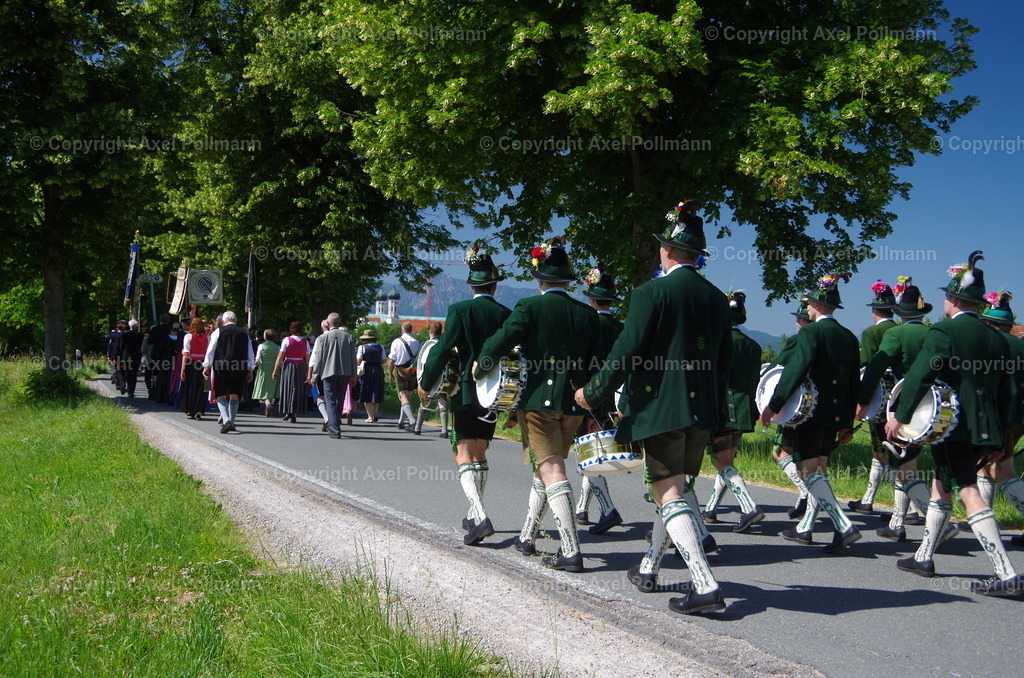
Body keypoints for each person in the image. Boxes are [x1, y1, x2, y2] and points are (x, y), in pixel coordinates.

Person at [576, 200, 731, 614]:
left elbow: (627, 350)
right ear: (697, 255)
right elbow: (723, 362)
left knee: (667, 488)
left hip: (661, 407)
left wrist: (593, 391)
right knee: (674, 488)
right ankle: (649, 566)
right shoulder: (717, 299)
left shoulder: (651, 292)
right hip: (702, 411)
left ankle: (704, 584)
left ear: (668, 250)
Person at [886, 251, 1022, 596]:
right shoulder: (998, 338)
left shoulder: (944, 331)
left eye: (947, 296)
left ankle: (1005, 571)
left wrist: (900, 417)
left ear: (953, 299)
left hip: (953, 428)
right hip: (985, 428)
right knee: (941, 485)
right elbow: (1005, 391)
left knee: (968, 491)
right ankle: (924, 556)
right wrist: (999, 440)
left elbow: (920, 376)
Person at [477, 236, 602, 572]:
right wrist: (596, 410)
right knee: (543, 467)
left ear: (539, 278)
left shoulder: (529, 307)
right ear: (567, 278)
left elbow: (499, 343)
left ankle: (571, 550)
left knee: (552, 469)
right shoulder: (587, 314)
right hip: (574, 405)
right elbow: (596, 365)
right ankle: (527, 536)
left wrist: (480, 368)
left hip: (539, 403)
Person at [759, 271, 862, 555]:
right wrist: (847, 423)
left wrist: (774, 405)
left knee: (806, 469)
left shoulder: (810, 332)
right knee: (819, 470)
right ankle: (807, 527)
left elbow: (795, 370)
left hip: (811, 413)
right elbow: (853, 382)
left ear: (815, 305)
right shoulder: (848, 337)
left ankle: (843, 525)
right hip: (836, 415)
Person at [419, 247, 511, 545]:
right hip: (495, 394)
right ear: (494, 286)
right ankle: (473, 513)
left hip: (468, 391)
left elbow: (443, 349)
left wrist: (426, 382)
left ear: (471, 285)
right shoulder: (506, 314)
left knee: (462, 452)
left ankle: (480, 516)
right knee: (480, 453)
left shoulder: (460, 310)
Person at [858, 280, 939, 542]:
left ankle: (931, 521)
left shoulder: (897, 335)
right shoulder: (934, 334)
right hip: (931, 406)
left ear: (901, 313)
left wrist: (862, 400)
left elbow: (874, 368)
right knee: (908, 461)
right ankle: (897, 521)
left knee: (900, 463)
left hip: (903, 405)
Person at [702, 291, 765, 533]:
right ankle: (711, 508)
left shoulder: (717, 342)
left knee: (719, 461)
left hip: (722, 408)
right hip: (744, 409)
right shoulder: (753, 345)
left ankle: (748, 507)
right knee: (726, 461)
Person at [574, 263, 625, 536]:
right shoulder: (621, 328)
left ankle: (607, 509)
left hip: (588, 396)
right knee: (593, 453)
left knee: (588, 456)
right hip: (613, 399)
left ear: (591, 299)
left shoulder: (587, 324)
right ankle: (582, 508)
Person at [976, 291, 1024, 545]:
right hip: (1020, 414)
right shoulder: (1021, 344)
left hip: (1000, 414)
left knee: (1003, 470)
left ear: (989, 323)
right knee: (987, 465)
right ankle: (985, 518)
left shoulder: (991, 344)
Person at [848, 281, 899, 515]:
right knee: (891, 448)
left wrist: (861, 400)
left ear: (875, 310)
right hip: (900, 396)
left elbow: (867, 366)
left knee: (881, 448)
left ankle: (904, 507)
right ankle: (868, 499)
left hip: (880, 396)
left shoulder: (871, 332)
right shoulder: (899, 329)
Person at [202, 311, 254, 434]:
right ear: (235, 321)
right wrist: (250, 369)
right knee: (235, 394)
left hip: (222, 365)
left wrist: (206, 366)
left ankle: (226, 420)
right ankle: (232, 421)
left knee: (220, 394)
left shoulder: (218, 331)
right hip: (240, 366)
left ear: (223, 321)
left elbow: (211, 350)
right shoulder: (244, 333)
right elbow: (250, 352)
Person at [310, 313, 357, 439]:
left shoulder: (322, 338)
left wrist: (314, 376)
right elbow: (353, 358)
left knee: (330, 401)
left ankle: (334, 429)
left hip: (328, 372)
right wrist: (354, 375)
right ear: (339, 323)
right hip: (344, 372)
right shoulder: (348, 337)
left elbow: (318, 359)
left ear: (328, 323)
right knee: (340, 400)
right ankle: (335, 424)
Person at [413, 321, 451, 438]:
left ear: (430, 331)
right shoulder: (444, 345)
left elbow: (418, 362)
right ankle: (444, 430)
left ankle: (418, 428)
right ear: (441, 332)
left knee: (424, 400)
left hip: (427, 376)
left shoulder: (425, 345)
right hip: (442, 377)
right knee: (442, 401)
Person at [273, 321, 310, 423]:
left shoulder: (286, 340)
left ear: (291, 329)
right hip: (301, 366)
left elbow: (280, 356)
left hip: (288, 365)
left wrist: (275, 370)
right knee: (297, 389)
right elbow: (307, 359)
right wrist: (308, 372)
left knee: (287, 388)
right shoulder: (305, 341)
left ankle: (288, 411)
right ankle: (294, 413)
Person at [388, 322, 420, 431]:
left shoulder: (397, 342)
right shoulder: (416, 342)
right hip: (413, 370)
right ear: (411, 330)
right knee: (408, 397)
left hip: (401, 369)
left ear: (402, 330)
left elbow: (391, 360)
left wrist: (390, 373)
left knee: (403, 397)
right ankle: (401, 422)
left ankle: (412, 421)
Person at [179, 317, 209, 419]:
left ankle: (190, 409)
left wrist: (182, 370)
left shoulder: (188, 336)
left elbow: (186, 354)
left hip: (191, 363)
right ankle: (200, 410)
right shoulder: (207, 338)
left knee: (191, 386)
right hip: (204, 363)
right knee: (203, 387)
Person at [356, 328, 385, 422]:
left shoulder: (362, 347)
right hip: (378, 370)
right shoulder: (380, 347)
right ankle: (375, 414)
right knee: (376, 392)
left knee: (366, 392)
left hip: (366, 370)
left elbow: (359, 360)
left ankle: (370, 416)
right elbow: (384, 360)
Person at [251, 328, 280, 417]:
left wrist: (254, 364)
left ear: (265, 336)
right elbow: (279, 359)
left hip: (263, 368)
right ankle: (268, 404)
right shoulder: (277, 347)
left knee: (264, 387)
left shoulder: (261, 346)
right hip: (274, 368)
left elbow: (257, 359)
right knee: (271, 387)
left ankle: (267, 404)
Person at [145, 314, 173, 404]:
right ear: (168, 321)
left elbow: (149, 342)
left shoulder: (155, 329)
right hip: (169, 355)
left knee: (156, 375)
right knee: (168, 376)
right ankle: (166, 395)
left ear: (160, 320)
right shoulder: (170, 330)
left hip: (157, 355)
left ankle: (157, 394)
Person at [113, 319, 144, 398]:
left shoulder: (124, 335)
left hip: (126, 356)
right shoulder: (140, 336)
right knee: (134, 374)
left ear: (129, 326)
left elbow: (121, 347)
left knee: (127, 372)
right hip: (136, 357)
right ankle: (131, 391)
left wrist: (118, 355)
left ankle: (125, 385)